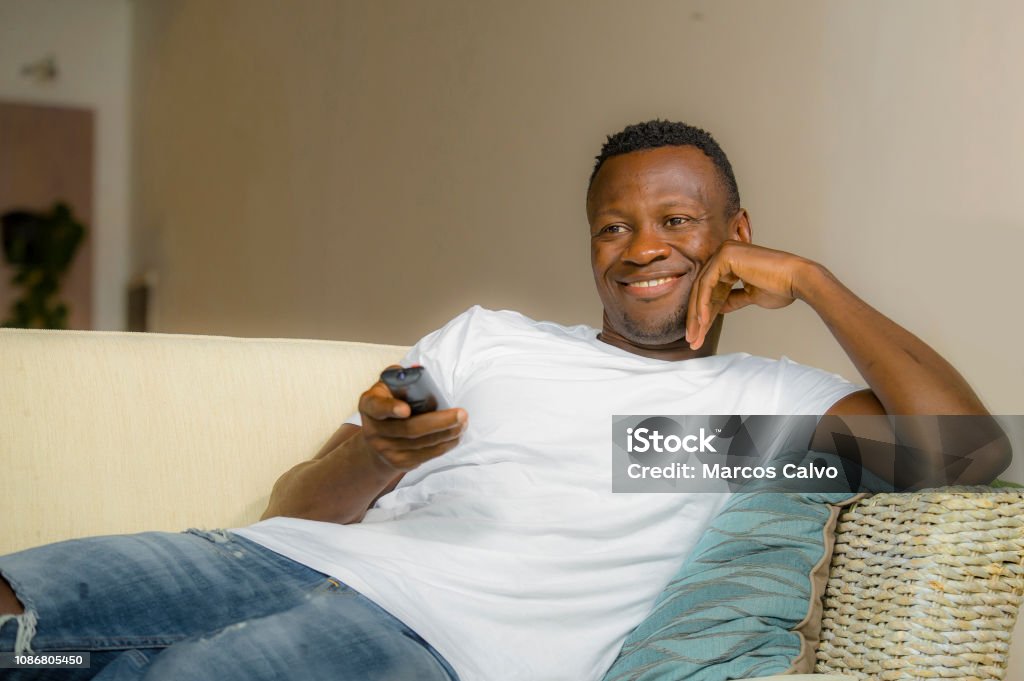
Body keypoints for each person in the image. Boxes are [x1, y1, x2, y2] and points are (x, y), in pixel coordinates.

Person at [0, 120, 1009, 681]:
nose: (643, 247)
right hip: (270, 561)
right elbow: (292, 514)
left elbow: (966, 454)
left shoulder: (760, 411)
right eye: (613, 227)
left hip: (432, 644)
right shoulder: (488, 339)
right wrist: (378, 454)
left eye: (676, 220)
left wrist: (816, 281)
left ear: (734, 232)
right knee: (20, 605)